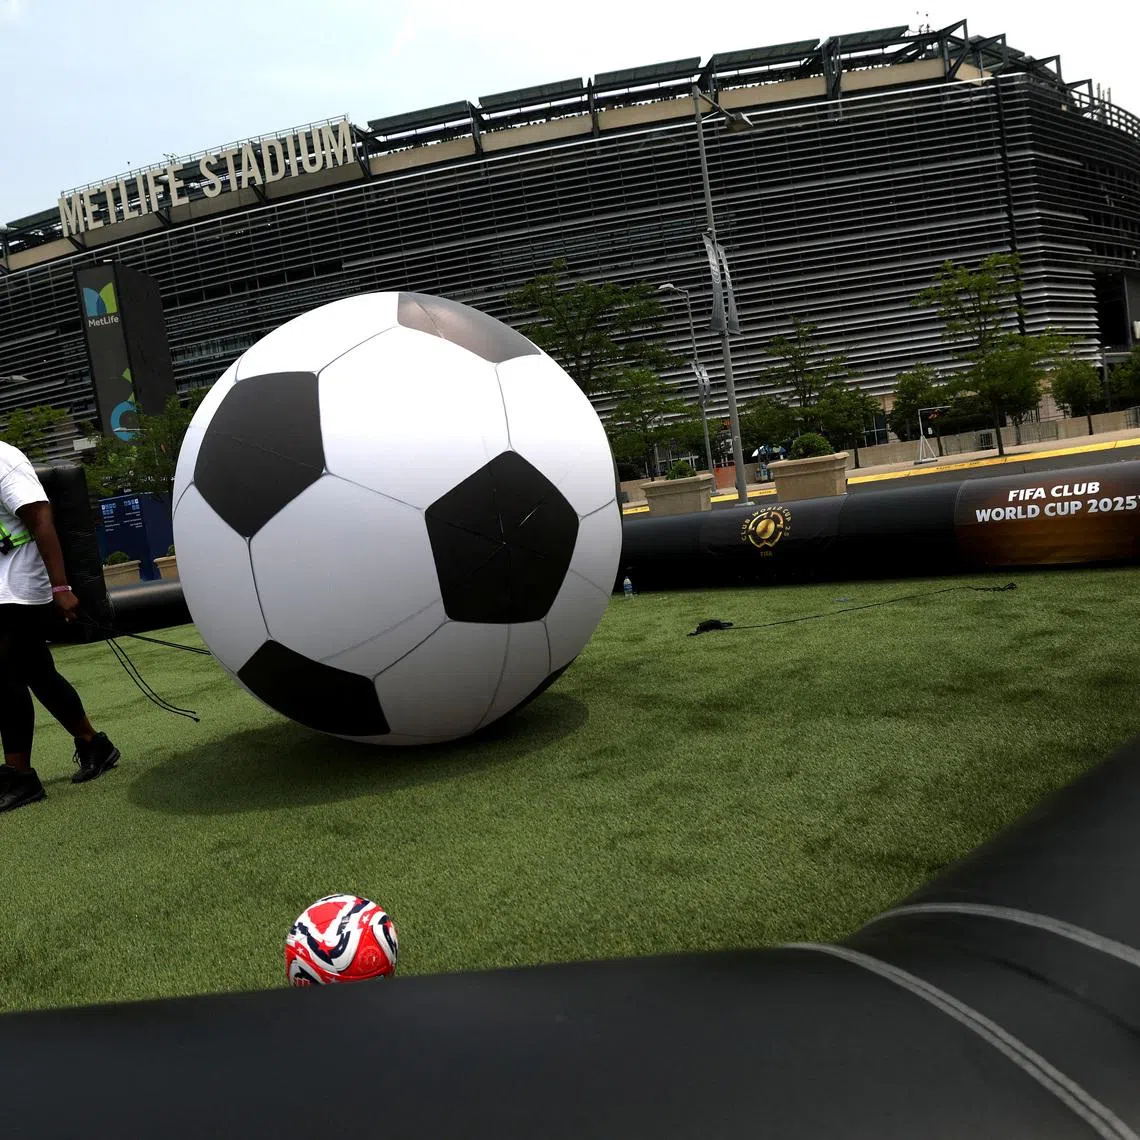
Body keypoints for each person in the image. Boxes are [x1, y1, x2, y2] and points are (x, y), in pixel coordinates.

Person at [0, 440, 119, 813]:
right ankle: (94, 744)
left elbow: (41, 519)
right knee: (38, 673)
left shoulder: (3, 458)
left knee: (5, 678)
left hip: (19, 585)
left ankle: (20, 776)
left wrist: (60, 587)